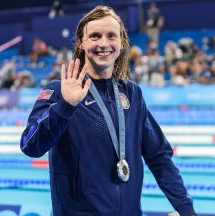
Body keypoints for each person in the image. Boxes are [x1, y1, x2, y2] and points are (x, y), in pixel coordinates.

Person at [20, 5, 196, 216]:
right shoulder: (59, 91)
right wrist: (66, 106)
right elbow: (30, 146)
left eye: (111, 36)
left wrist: (186, 210)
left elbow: (159, 157)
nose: (103, 43)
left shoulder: (132, 94)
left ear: (121, 43)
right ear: (81, 43)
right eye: (95, 36)